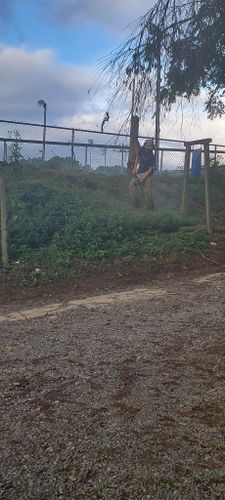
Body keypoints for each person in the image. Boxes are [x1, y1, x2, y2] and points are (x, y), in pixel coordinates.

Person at [129, 139, 155, 209]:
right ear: (145, 145)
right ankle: (136, 205)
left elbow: (150, 169)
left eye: (149, 147)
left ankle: (150, 208)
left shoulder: (152, 156)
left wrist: (143, 178)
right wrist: (134, 168)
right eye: (147, 146)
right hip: (140, 172)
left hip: (148, 174)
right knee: (132, 186)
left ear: (151, 148)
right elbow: (138, 157)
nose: (148, 148)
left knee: (147, 192)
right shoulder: (142, 149)